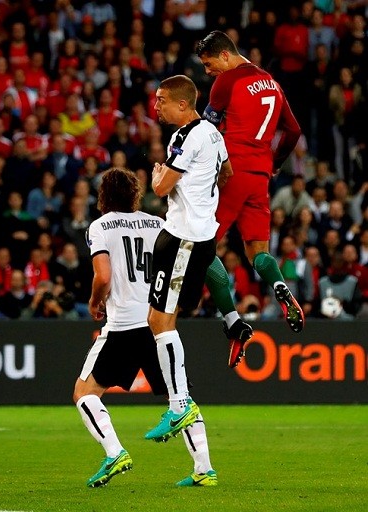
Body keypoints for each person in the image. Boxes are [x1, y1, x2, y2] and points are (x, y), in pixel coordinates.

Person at [75, 167, 216, 489]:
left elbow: (104, 276)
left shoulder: (100, 226)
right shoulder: (160, 224)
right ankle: (204, 469)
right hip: (157, 322)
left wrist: (95, 301)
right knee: (181, 399)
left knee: (84, 393)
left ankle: (114, 453)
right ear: (135, 194)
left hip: (123, 324)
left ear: (103, 196)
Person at [195, 30, 304, 367]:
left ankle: (233, 323)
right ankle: (280, 286)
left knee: (201, 247)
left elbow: (206, 130)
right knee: (257, 251)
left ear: (225, 55)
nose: (209, 71)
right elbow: (294, 130)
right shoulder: (270, 82)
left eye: (209, 64)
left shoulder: (227, 82)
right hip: (259, 175)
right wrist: (274, 165)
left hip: (233, 171)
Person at [142, 76, 229, 486]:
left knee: (160, 323)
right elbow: (225, 173)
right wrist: (200, 196)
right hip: (202, 238)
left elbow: (160, 187)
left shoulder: (185, 135)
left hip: (182, 241)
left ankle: (179, 405)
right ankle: (202, 468)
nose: (156, 106)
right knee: (162, 322)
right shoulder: (213, 132)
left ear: (182, 104)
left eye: (161, 101)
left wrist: (161, 174)